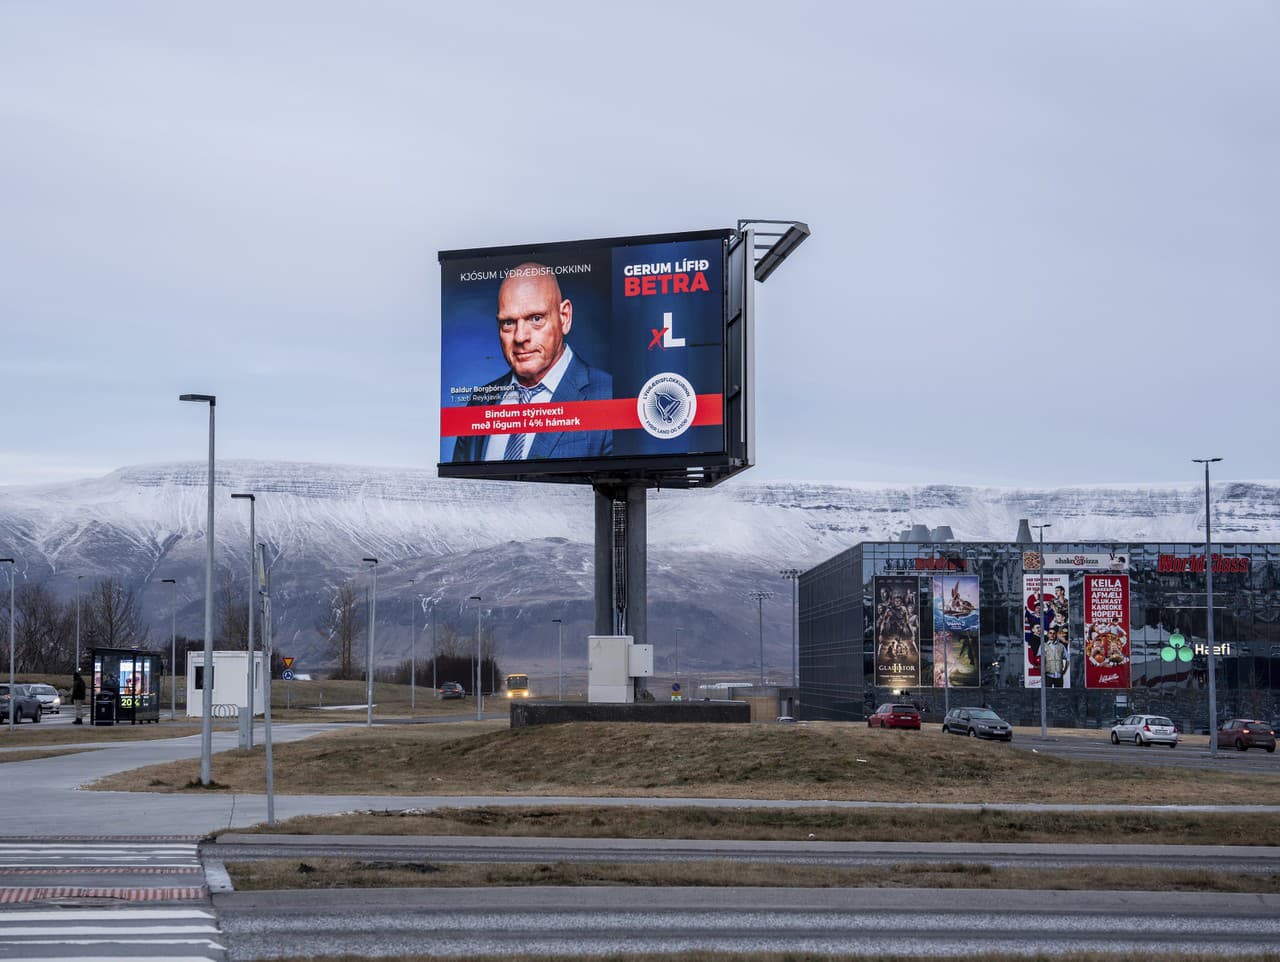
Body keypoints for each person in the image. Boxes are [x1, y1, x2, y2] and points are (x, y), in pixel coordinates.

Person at [451, 264, 613, 463]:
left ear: (565, 317)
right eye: (508, 323)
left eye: (536, 319)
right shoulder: (478, 403)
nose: (520, 337)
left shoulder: (611, 397)